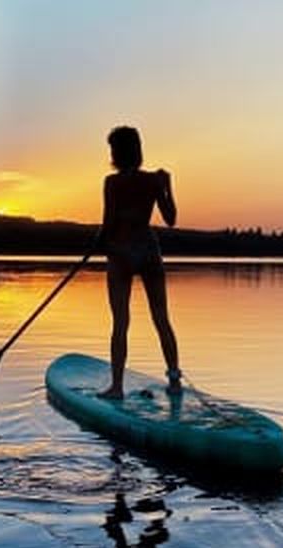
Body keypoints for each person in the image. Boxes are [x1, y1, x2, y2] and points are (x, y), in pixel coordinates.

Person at [97, 126, 181, 399]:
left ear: (116, 153)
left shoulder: (112, 183)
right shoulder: (154, 181)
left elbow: (109, 223)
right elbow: (171, 219)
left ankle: (117, 387)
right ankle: (174, 381)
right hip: (148, 251)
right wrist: (167, 187)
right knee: (161, 318)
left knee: (120, 322)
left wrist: (98, 242)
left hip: (121, 252)